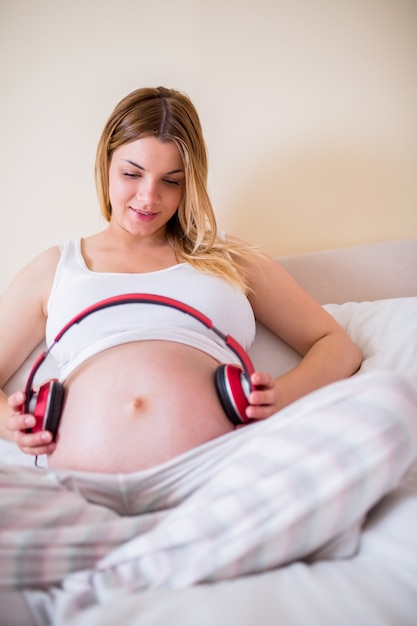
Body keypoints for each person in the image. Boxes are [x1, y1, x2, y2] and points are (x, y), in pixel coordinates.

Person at [0, 86, 362, 473]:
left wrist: (281, 397)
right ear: (104, 165)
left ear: (190, 182)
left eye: (171, 181)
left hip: (212, 479)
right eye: (131, 174)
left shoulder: (229, 258)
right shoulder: (56, 268)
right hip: (84, 487)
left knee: (391, 402)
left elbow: (337, 346)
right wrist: (11, 424)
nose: (148, 197)